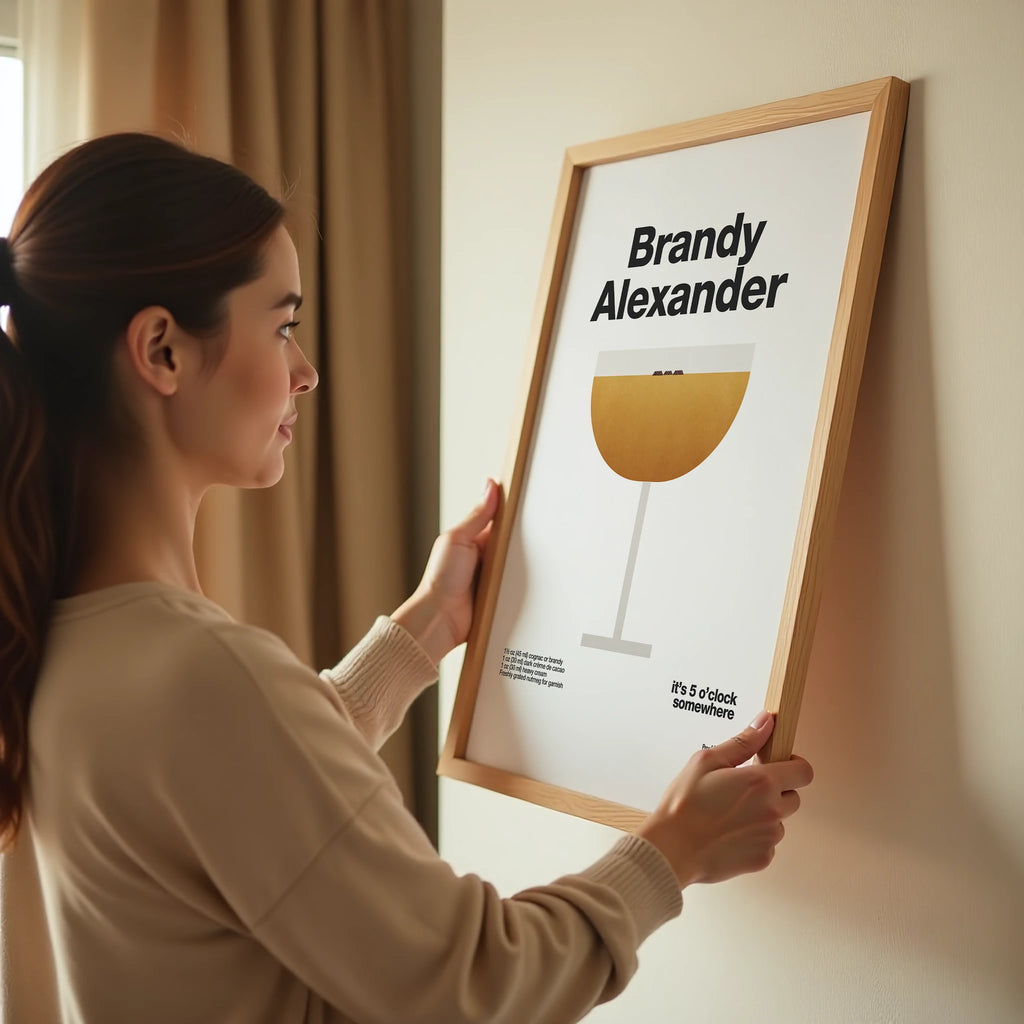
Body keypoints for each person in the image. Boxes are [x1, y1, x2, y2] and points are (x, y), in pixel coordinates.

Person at [0, 133, 812, 1024]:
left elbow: (245, 788)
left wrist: (426, 628)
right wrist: (673, 850)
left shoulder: (70, 644)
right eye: (281, 327)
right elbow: (476, 985)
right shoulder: (202, 677)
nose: (305, 372)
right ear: (162, 350)